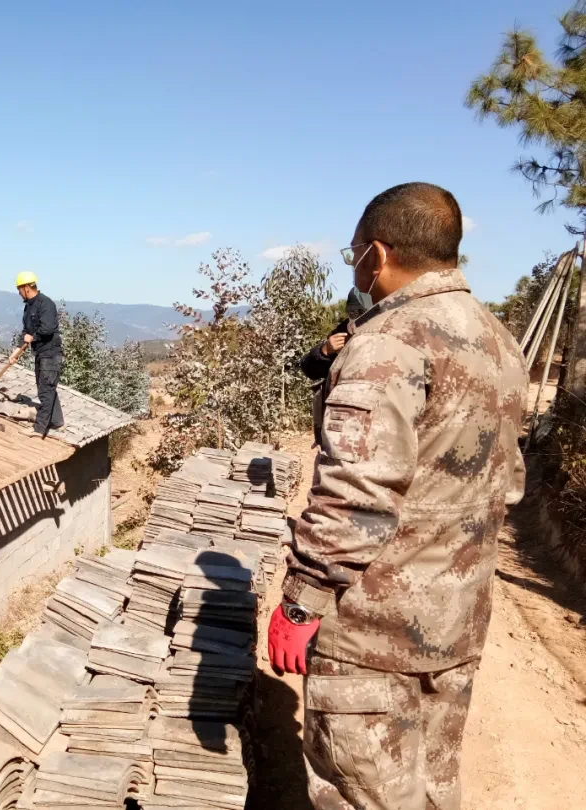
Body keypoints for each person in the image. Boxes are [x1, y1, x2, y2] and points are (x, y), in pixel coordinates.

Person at [267, 183, 528, 810]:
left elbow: (357, 492)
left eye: (353, 253)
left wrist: (301, 604)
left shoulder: (389, 341)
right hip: (455, 623)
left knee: (365, 795)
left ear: (375, 254)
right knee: (432, 790)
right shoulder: (499, 341)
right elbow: (509, 481)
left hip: (372, 634)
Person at [12, 271, 64, 437]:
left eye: (19, 289)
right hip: (40, 353)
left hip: (51, 354)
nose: (19, 293)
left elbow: (47, 329)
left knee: (45, 391)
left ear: (27, 287)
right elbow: (26, 332)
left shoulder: (46, 304)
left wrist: (32, 337)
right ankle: (57, 422)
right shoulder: (28, 307)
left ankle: (39, 429)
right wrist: (17, 351)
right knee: (46, 388)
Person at [299, 287, 370, 382]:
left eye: (366, 314)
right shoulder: (341, 333)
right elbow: (310, 370)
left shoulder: (389, 331)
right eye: (353, 313)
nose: (359, 318)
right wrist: (324, 352)